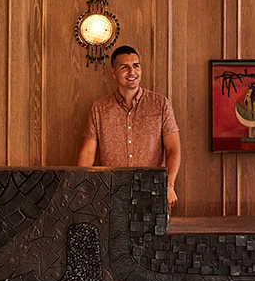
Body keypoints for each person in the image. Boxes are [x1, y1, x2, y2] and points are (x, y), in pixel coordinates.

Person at [77, 46, 181, 209]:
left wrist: (169, 185)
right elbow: (88, 153)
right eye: (124, 67)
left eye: (136, 65)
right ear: (113, 73)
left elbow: (173, 149)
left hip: (152, 193)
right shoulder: (99, 108)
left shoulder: (160, 104)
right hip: (111, 195)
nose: (132, 71)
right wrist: (82, 188)